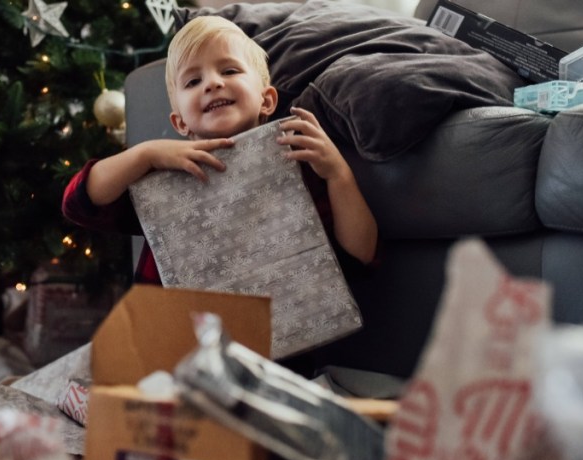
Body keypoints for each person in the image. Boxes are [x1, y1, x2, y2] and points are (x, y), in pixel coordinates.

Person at [62, 15, 378, 291]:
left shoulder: (296, 159)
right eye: (193, 81)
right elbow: (79, 202)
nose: (212, 84)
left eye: (229, 71)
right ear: (180, 121)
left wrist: (339, 175)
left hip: (280, 342)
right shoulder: (163, 177)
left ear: (266, 100)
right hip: (174, 345)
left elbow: (359, 257)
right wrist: (144, 154)